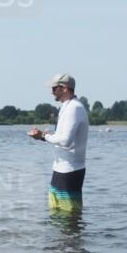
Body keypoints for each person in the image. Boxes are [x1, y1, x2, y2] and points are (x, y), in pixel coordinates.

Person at [28, 74, 89, 214]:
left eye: (54, 88)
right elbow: (62, 136)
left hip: (70, 170)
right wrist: (44, 136)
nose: (51, 92)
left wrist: (43, 136)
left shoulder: (74, 108)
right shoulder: (66, 106)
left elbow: (66, 141)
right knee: (55, 214)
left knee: (69, 216)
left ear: (65, 88)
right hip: (60, 168)